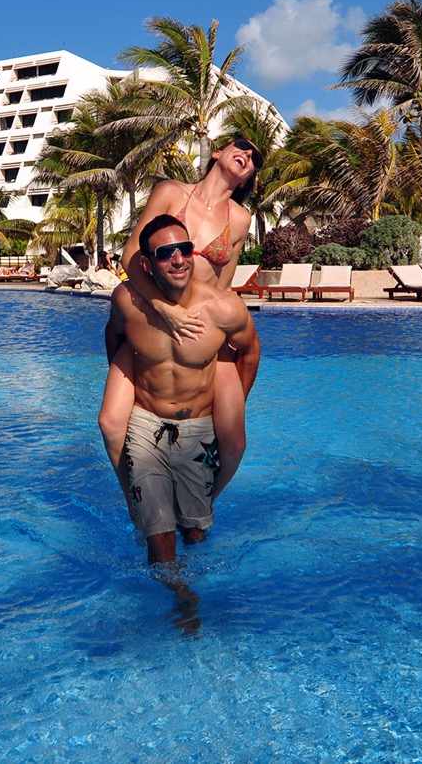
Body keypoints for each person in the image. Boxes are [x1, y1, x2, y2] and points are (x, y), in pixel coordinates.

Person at [101, 135, 263, 501]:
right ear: (218, 151)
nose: (247, 155)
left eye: (254, 158)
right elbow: (131, 257)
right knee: (111, 425)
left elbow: (224, 283)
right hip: (149, 314)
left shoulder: (239, 218)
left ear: (248, 176)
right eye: (241, 146)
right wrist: (163, 309)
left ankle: (200, 500)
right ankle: (136, 498)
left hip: (201, 329)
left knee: (234, 442)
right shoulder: (172, 192)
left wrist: (217, 331)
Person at [99, 214, 260, 566]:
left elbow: (249, 351)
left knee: (195, 534)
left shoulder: (222, 308)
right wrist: (125, 374)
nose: (177, 259)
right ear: (147, 264)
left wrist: (235, 402)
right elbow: (113, 334)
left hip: (197, 433)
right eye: (165, 253)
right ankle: (184, 609)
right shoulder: (128, 301)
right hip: (145, 426)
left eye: (184, 249)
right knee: (160, 545)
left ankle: (186, 578)